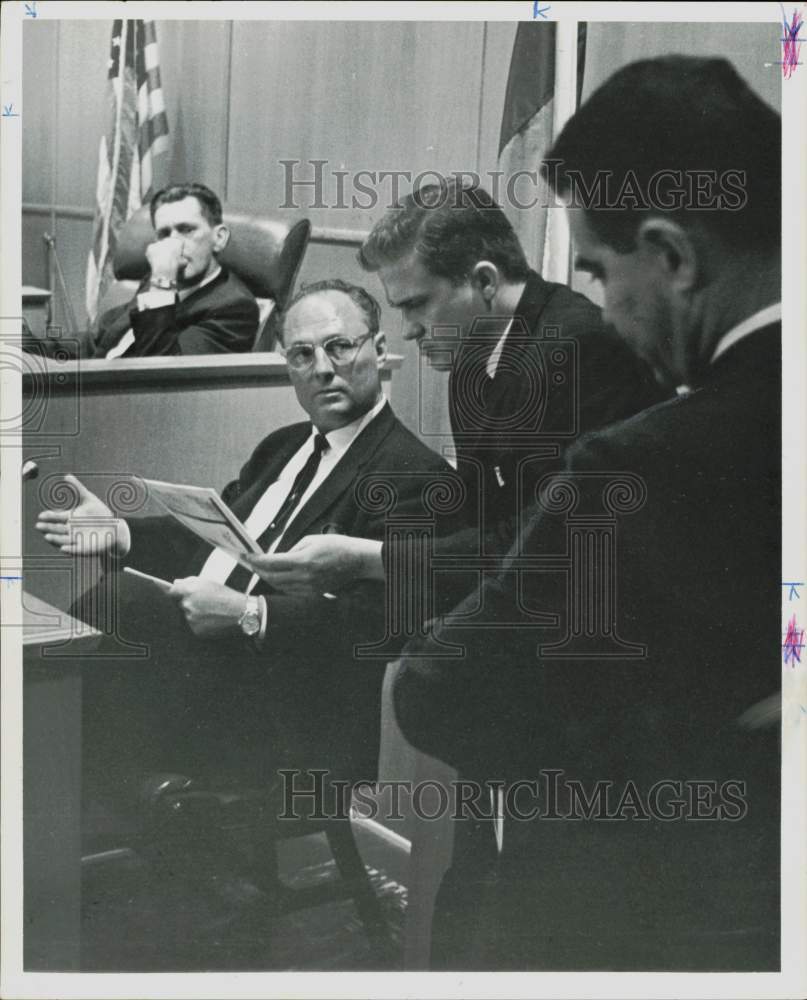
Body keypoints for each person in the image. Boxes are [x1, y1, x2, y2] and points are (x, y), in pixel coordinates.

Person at [393, 56, 782, 970]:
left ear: (673, 256)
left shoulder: (640, 462)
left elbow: (441, 690)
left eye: (602, 272)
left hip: (676, 912)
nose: (605, 308)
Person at [36, 279, 457, 820]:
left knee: (115, 614)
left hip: (293, 714)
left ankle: (48, 810)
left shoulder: (415, 475)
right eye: (303, 354)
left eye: (339, 346)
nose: (323, 368)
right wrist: (123, 533)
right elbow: (215, 544)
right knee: (80, 643)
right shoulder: (281, 446)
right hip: (209, 677)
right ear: (288, 368)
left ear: (378, 350)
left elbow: (383, 627)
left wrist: (250, 615)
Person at [246, 177, 665, 607]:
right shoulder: (470, 357)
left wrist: (371, 559)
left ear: (484, 281)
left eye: (416, 304)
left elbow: (550, 547)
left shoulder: (578, 351)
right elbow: (480, 524)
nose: (408, 330)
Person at [39, 182, 258, 359]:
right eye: (164, 233)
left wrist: (163, 281)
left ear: (218, 238)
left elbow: (159, 373)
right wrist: (27, 348)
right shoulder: (153, 282)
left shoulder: (234, 307)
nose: (174, 244)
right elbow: (98, 343)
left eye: (186, 230)